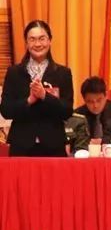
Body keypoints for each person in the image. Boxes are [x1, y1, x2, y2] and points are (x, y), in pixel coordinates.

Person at [0, 20, 74, 156]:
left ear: (49, 41)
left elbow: (67, 111)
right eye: (32, 39)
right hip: (21, 145)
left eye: (42, 38)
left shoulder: (63, 73)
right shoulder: (14, 72)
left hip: (53, 145)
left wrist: (45, 96)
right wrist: (28, 100)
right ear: (26, 43)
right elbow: (6, 110)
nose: (38, 44)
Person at [74, 76, 111, 144]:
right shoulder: (78, 116)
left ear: (106, 95)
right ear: (84, 100)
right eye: (90, 101)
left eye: (99, 100)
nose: (95, 105)